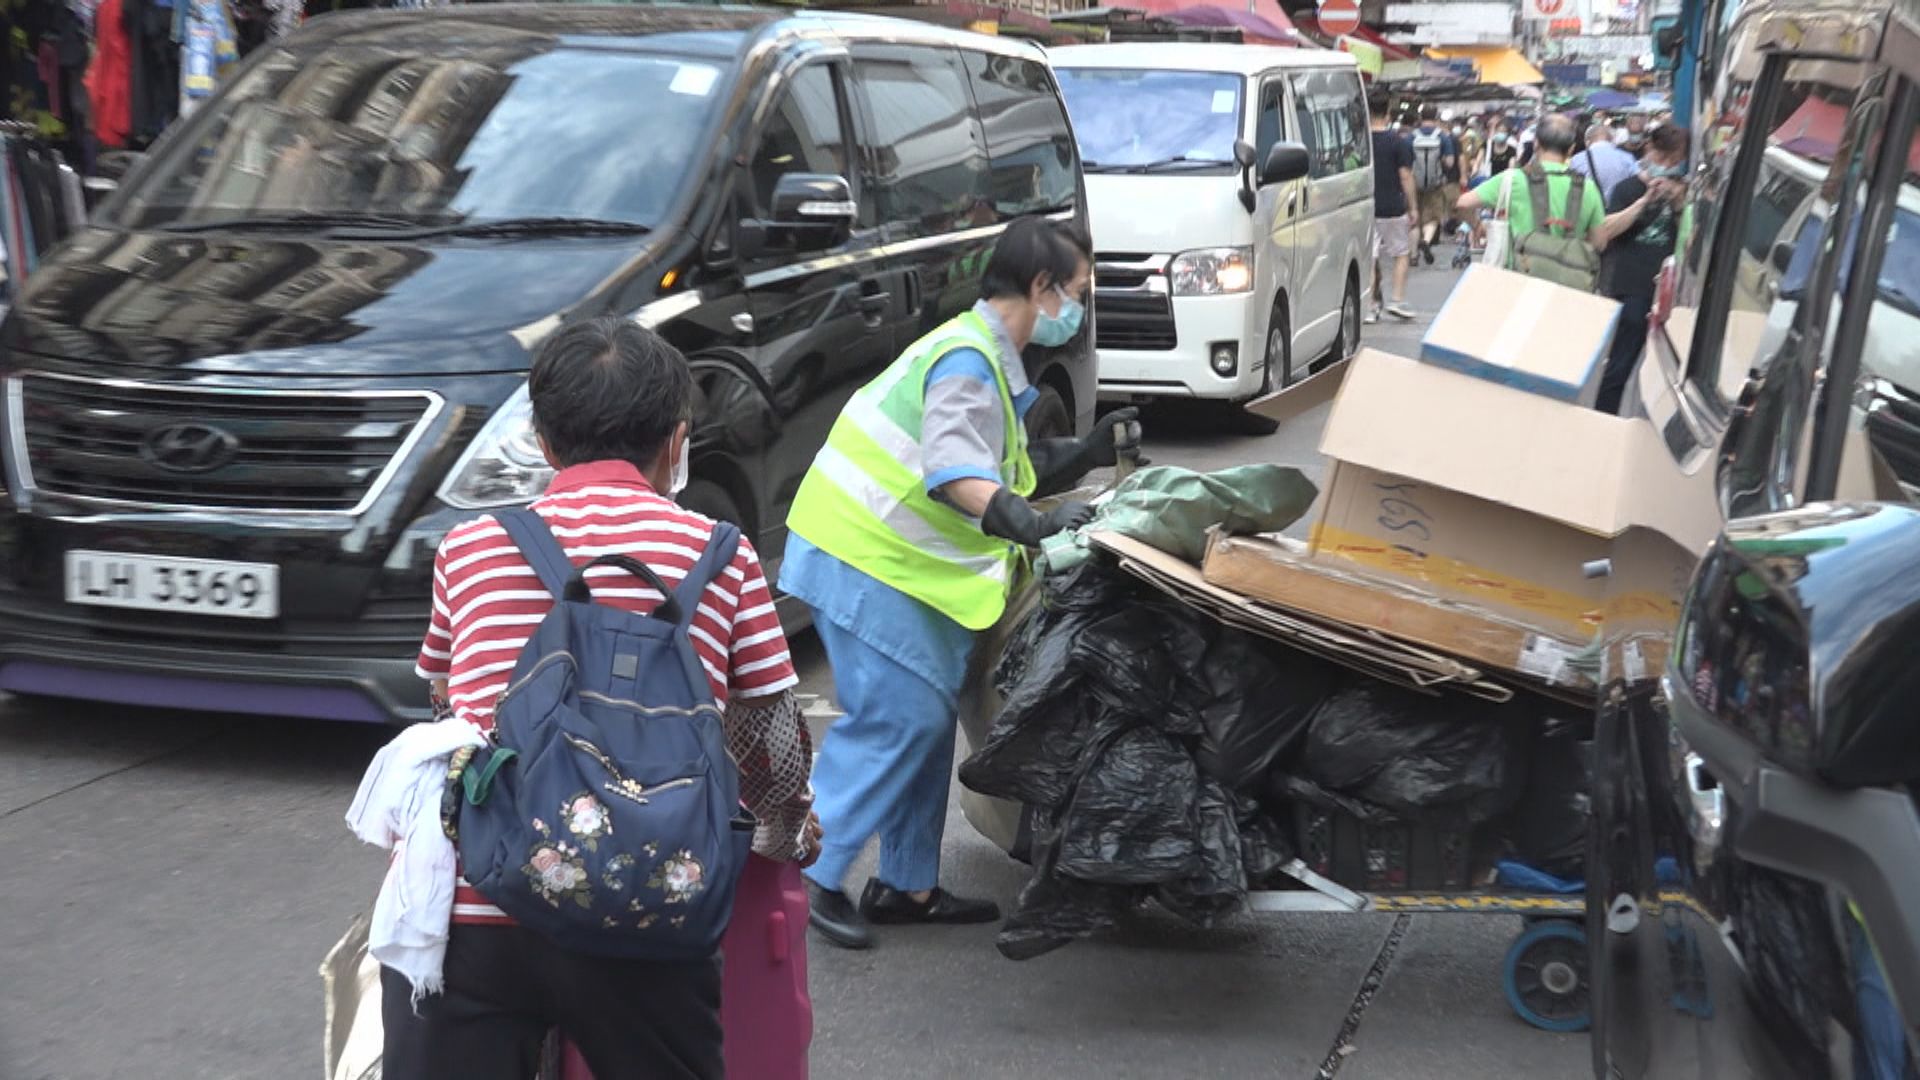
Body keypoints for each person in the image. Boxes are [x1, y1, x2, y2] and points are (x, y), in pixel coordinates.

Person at [391, 318, 821, 1080]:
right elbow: (770, 742)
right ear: (675, 441)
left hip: (483, 905)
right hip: (653, 902)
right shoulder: (721, 555)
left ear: (544, 442)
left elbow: (445, 706)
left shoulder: (469, 547)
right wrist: (786, 833)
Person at [780, 216, 1140, 951]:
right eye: (1076, 292)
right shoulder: (968, 359)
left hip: (887, 562)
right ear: (1041, 289)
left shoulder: (987, 359)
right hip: (861, 554)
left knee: (926, 718)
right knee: (898, 719)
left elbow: (1000, 463)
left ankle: (906, 885)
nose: (1078, 308)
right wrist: (1031, 523)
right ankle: (812, 873)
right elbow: (953, 470)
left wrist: (1083, 455)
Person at [1456, 113, 1648, 290]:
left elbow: (1462, 204)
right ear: (1571, 149)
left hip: (1518, 282)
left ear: (1536, 144)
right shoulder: (1587, 188)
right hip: (1568, 290)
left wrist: (1477, 225)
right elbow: (1599, 242)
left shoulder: (1513, 179)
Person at [1596, 125, 1689, 414]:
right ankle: (1604, 415)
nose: (1667, 166)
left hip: (1669, 288)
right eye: (1663, 158)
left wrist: (1676, 202)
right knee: (1621, 361)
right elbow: (1606, 231)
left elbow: (1690, 237)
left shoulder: (1683, 191)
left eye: (1674, 161)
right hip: (1632, 284)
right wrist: (1643, 202)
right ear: (1649, 150)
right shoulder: (1627, 189)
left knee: (1663, 368)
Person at [1368, 89, 1418, 321]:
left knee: (1370, 256)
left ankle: (1369, 305)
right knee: (1401, 253)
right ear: (1388, 113)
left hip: (1366, 207)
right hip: (1393, 207)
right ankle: (1397, 300)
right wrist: (1413, 207)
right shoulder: (1399, 142)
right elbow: (1406, 176)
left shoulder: (1359, 141)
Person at [1410, 103, 1461, 267]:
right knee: (1433, 219)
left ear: (1420, 117)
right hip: (1435, 185)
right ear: (1436, 117)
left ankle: (1413, 255)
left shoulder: (1411, 137)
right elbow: (1450, 162)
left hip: (1414, 184)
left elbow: (1405, 162)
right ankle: (1425, 240)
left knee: (1414, 217)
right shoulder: (1443, 137)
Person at [1570, 123, 1641, 203]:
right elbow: (1637, 182)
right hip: (1621, 211)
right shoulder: (1627, 157)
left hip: (1590, 210)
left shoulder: (1577, 160)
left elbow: (1574, 194)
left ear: (1587, 142)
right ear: (1612, 139)